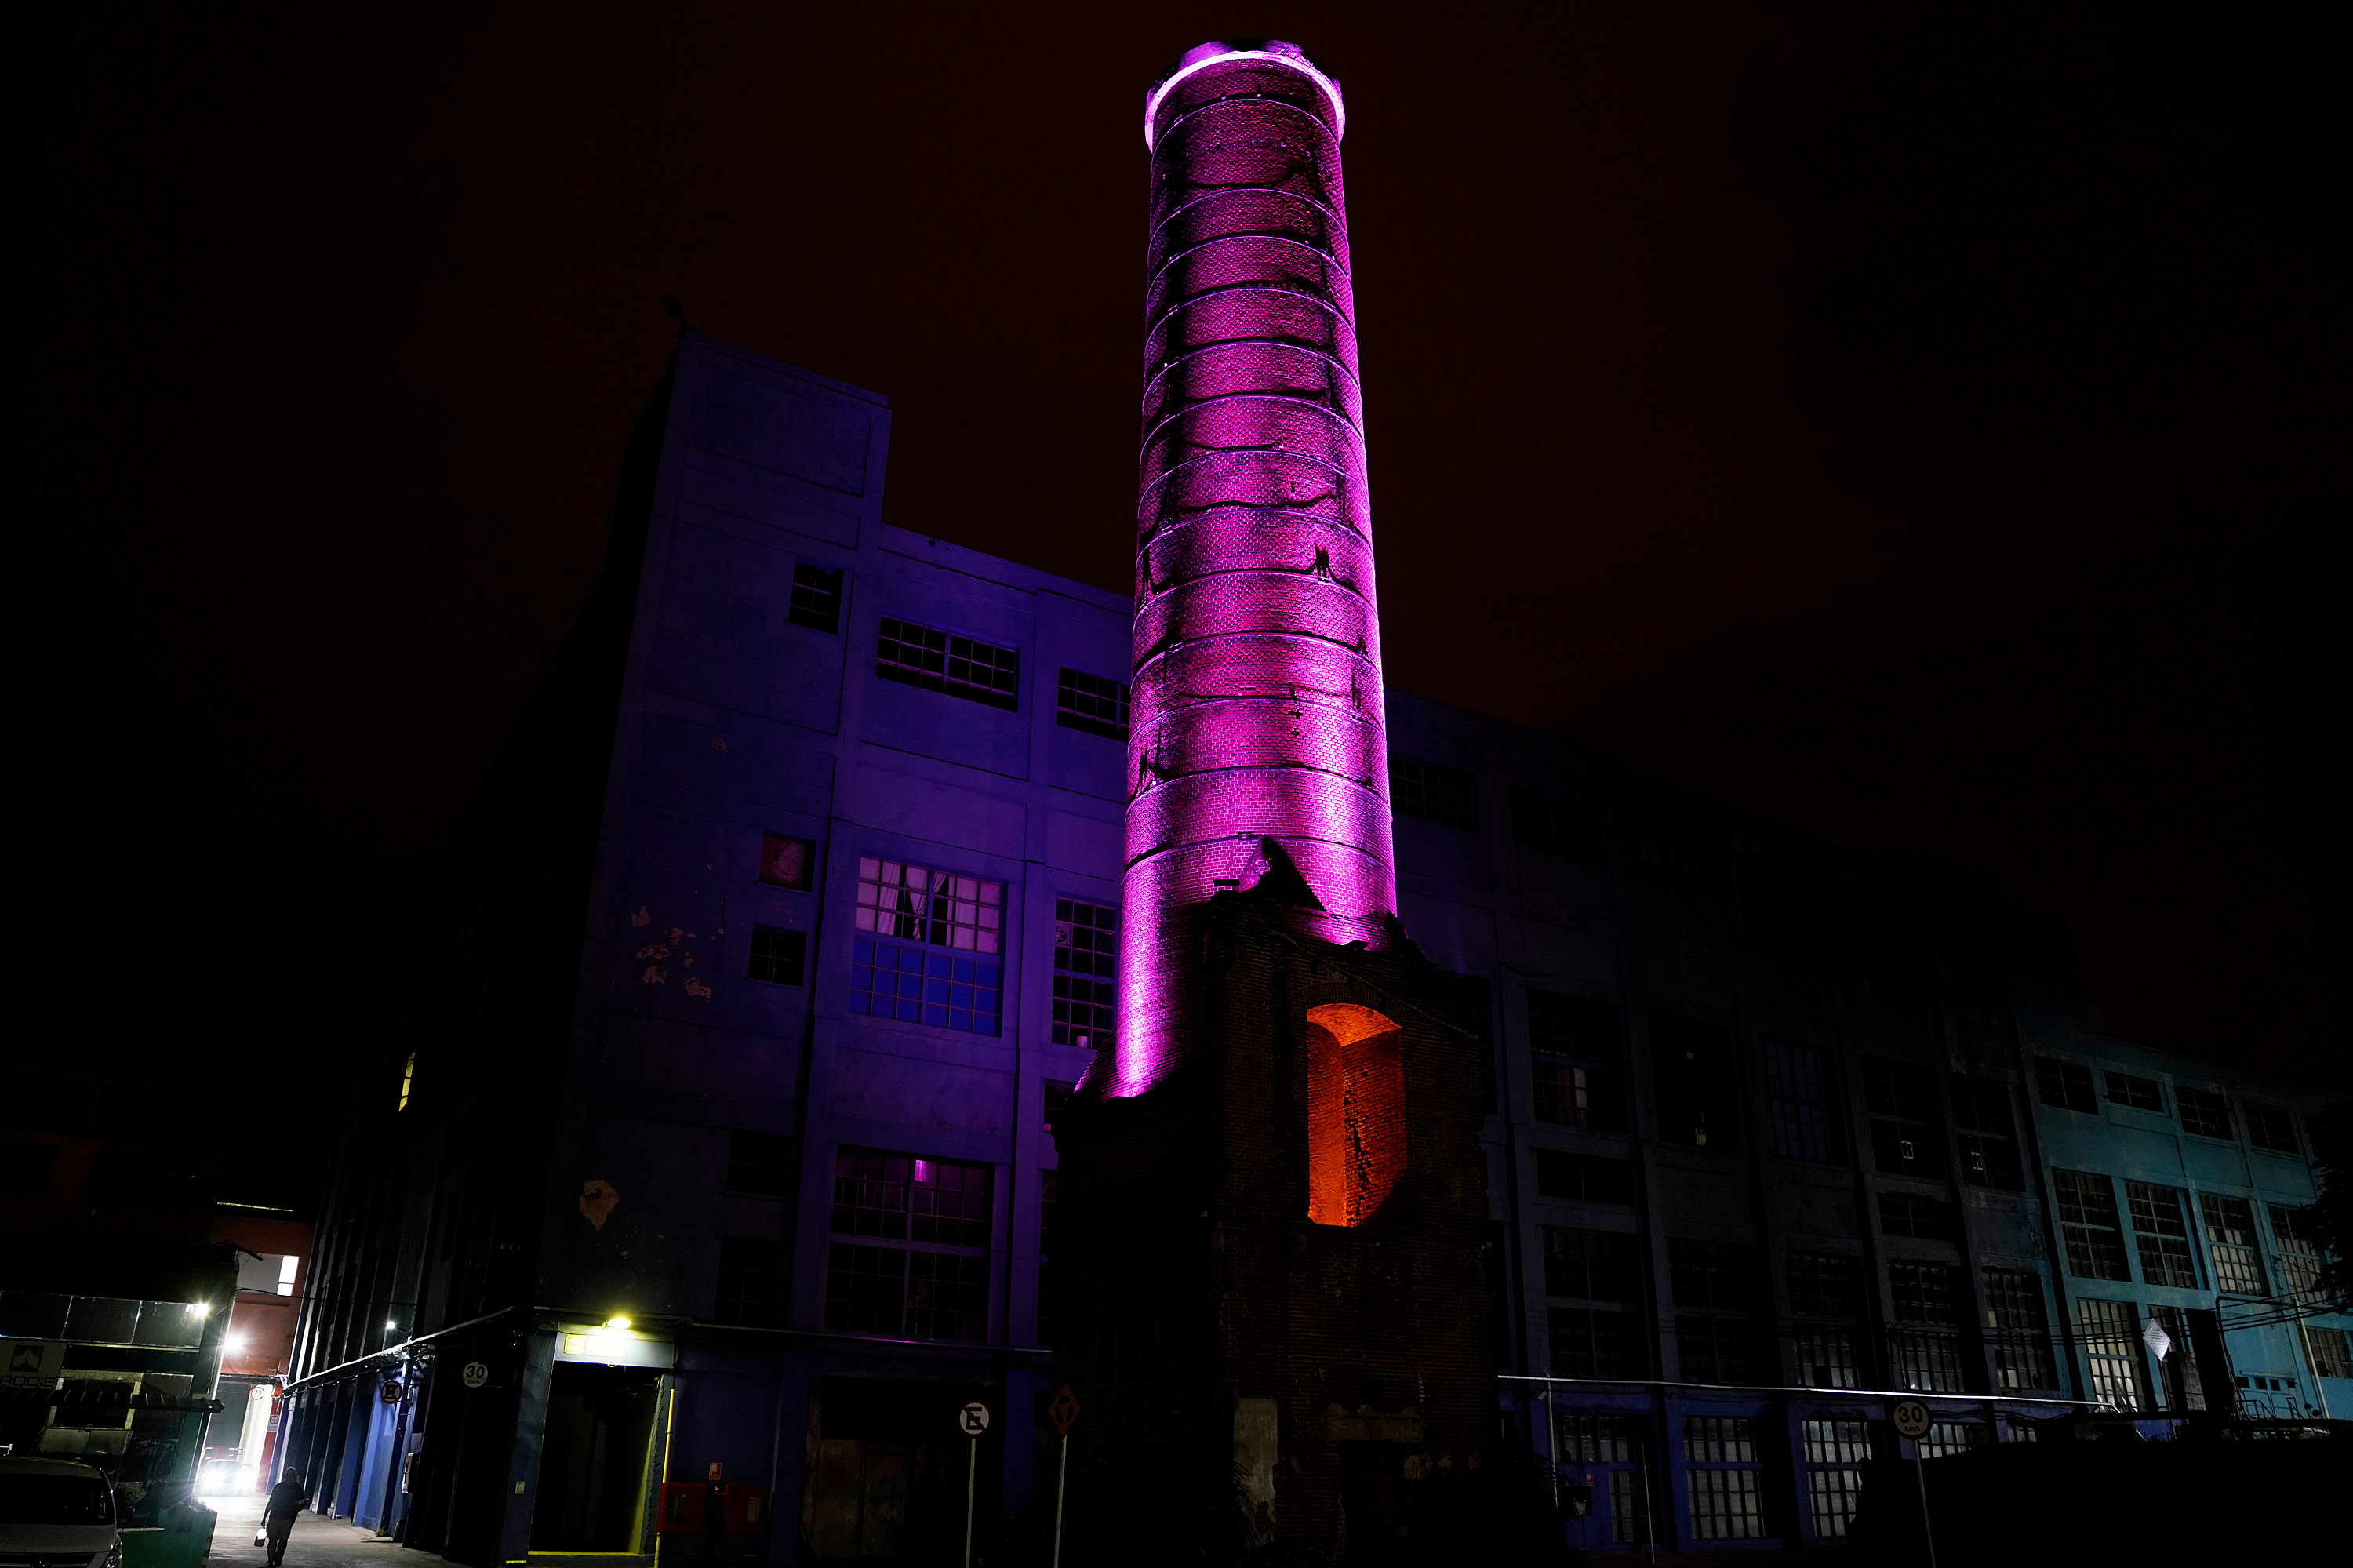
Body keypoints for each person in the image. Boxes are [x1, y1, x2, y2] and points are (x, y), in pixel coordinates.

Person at [262, 1469, 305, 1567]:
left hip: (275, 1517)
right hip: (288, 1519)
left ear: (285, 1476)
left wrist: (264, 1517)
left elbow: (271, 1503)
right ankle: (278, 1557)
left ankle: (271, 1560)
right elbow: (301, 1503)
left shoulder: (278, 1487)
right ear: (295, 1477)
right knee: (283, 1540)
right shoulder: (297, 1489)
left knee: (272, 1540)